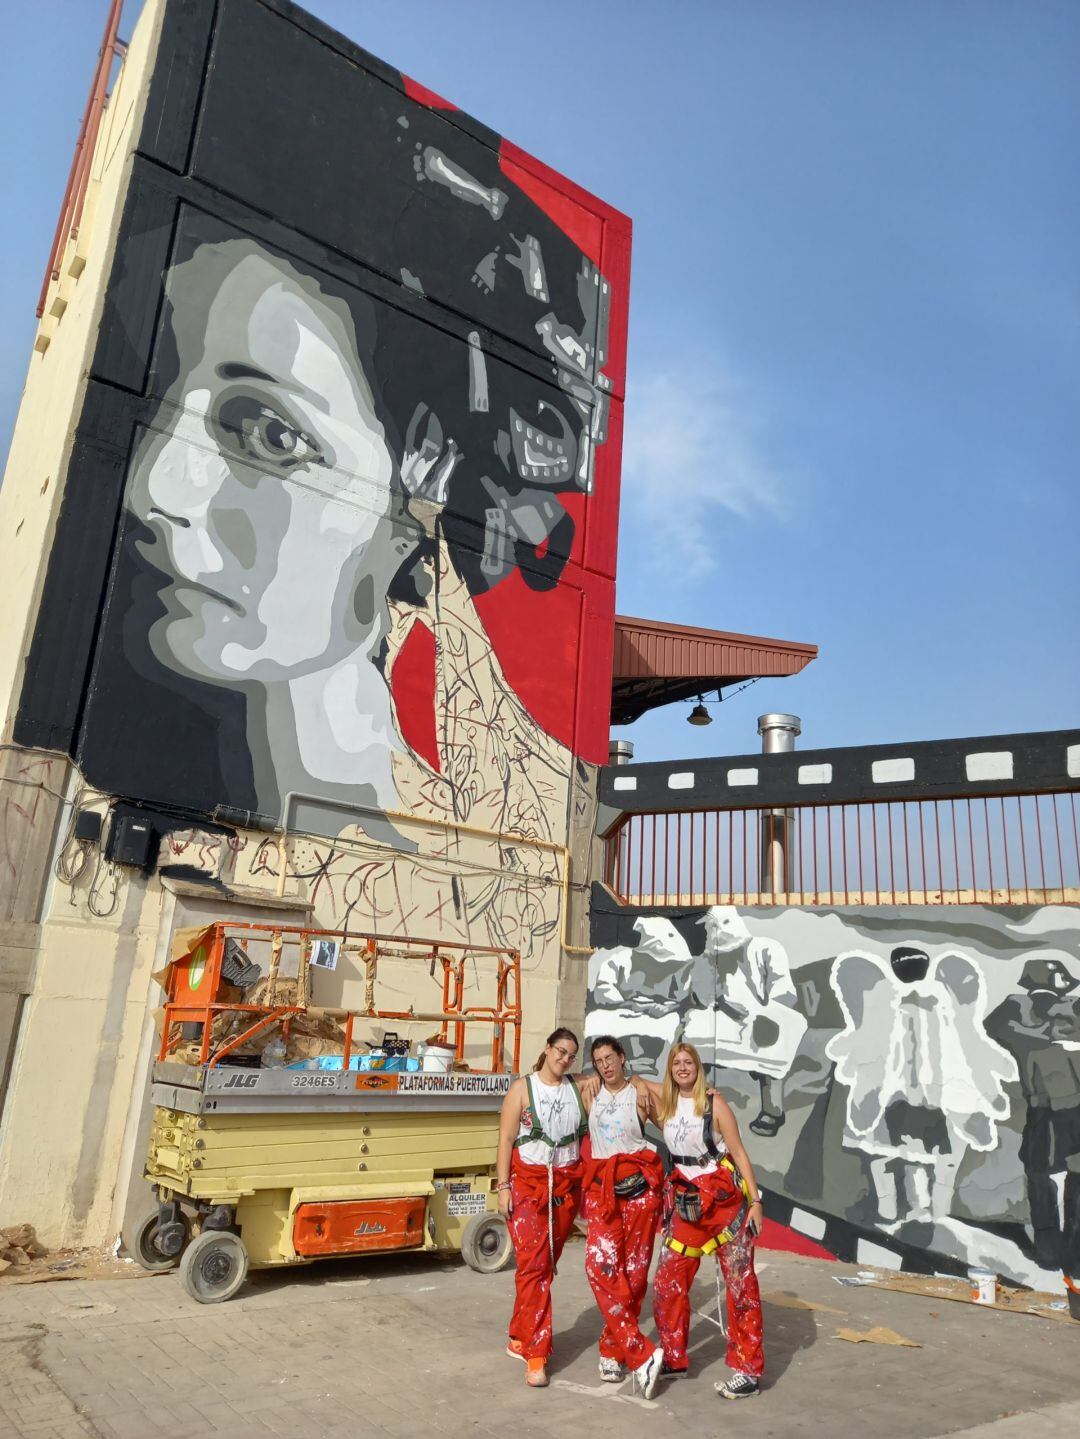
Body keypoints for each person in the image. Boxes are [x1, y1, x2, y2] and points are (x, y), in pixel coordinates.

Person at [645, 1042, 765, 1399]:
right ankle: (675, 1357)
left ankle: (748, 1370)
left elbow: (740, 1153)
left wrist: (755, 1200)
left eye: (688, 1062)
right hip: (687, 1204)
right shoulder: (664, 1105)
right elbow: (638, 1083)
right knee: (668, 1281)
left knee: (741, 1285)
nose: (683, 1068)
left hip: (725, 1202)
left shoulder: (714, 1104)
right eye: (676, 1063)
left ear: (698, 1067)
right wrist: (633, 1078)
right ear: (670, 1069)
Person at [495, 1027, 588, 1388]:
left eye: (570, 1055)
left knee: (543, 1266)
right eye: (560, 1051)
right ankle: (536, 1353)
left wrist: (694, 1092)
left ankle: (519, 1335)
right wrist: (503, 1187)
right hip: (527, 1186)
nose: (564, 1059)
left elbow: (626, 1086)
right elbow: (504, 1140)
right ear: (547, 1049)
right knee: (534, 1268)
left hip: (564, 1188)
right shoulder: (522, 1089)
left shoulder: (578, 1087)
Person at [579, 1036, 664, 1396]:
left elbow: (674, 1115)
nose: (605, 1065)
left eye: (610, 1058)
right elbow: (549, 1075)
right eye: (598, 1061)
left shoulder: (641, 1093)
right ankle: (641, 1353)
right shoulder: (589, 1091)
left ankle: (612, 1351)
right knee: (599, 1268)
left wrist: (644, 1081)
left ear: (623, 1058)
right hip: (604, 1193)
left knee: (633, 1276)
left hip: (640, 1194)